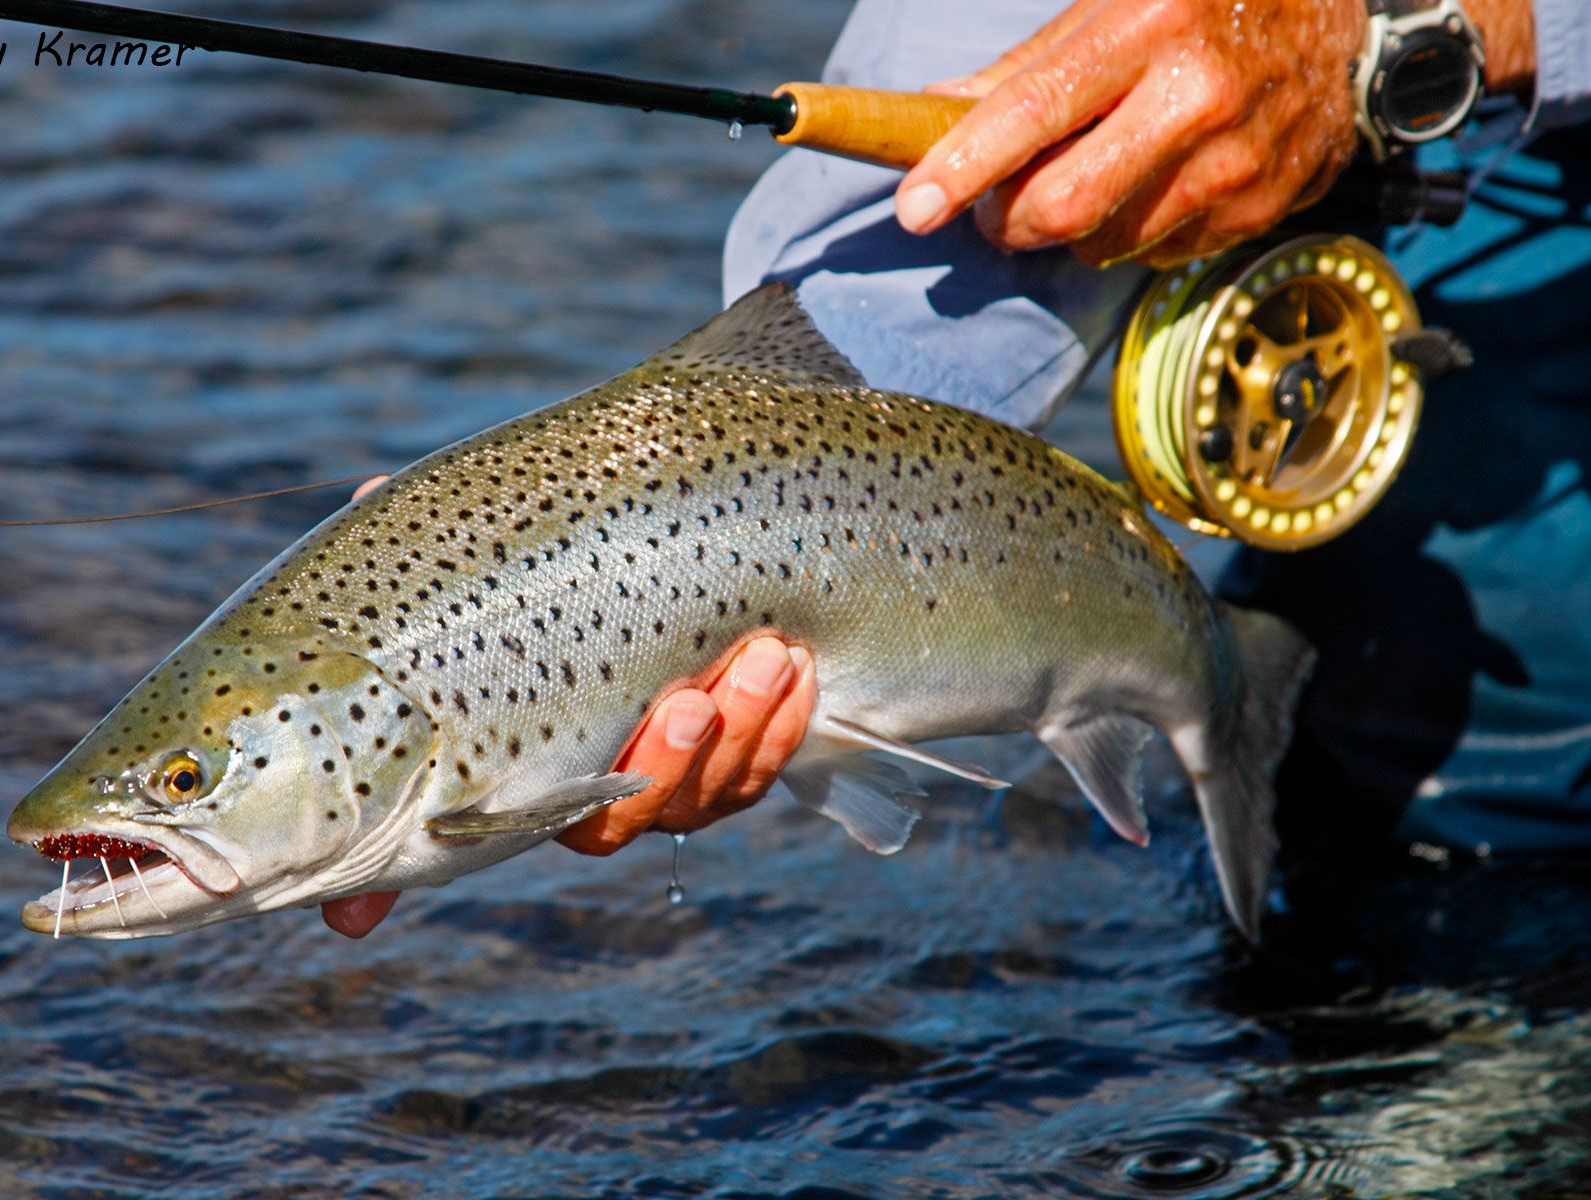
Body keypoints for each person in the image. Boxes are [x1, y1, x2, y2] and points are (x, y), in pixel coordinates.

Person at [324, 0, 1590, 938]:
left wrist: (1407, 34)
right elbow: (1008, 62)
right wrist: (579, 533)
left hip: (1482, 103)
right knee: (1408, 794)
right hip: (1418, 120)